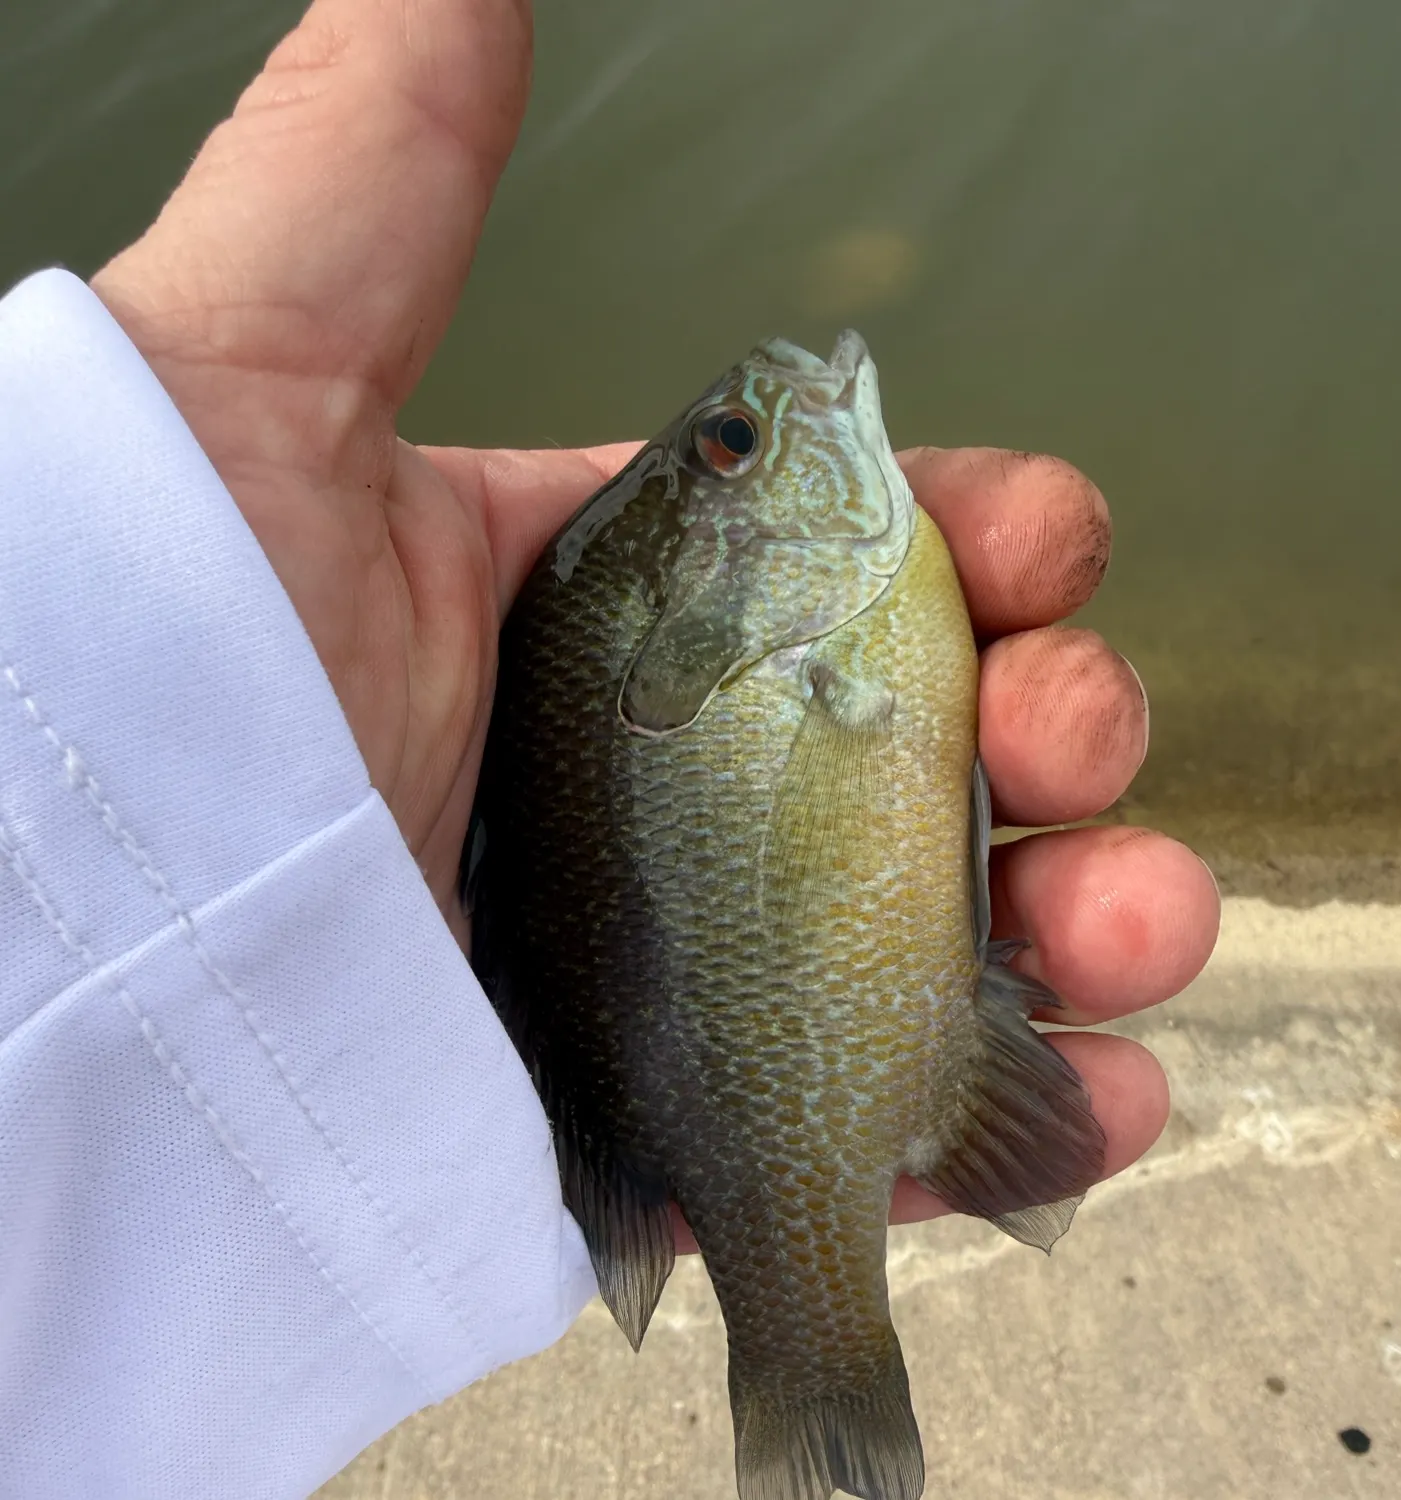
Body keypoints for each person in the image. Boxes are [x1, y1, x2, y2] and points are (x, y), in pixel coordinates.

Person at [0, 1, 1219, 1494]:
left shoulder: (786, 635)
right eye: (736, 448)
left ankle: (816, 1389)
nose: (764, 412)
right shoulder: (805, 633)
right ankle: (816, 1366)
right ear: (695, 618)